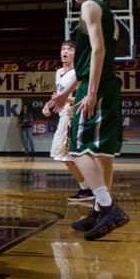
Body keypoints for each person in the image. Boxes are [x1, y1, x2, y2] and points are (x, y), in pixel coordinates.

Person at [46, 0, 129, 240]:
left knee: (79, 149)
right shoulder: (108, 13)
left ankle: (107, 207)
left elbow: (98, 50)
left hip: (97, 88)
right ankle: (97, 210)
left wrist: (90, 91)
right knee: (102, 155)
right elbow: (85, 62)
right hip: (103, 84)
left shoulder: (91, 6)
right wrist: (65, 90)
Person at [42, 41, 93, 203]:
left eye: (69, 49)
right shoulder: (58, 72)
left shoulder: (78, 72)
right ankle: (88, 188)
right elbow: (58, 94)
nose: (65, 51)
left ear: (75, 54)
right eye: (63, 48)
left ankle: (88, 189)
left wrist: (65, 99)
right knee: (69, 156)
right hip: (63, 116)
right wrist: (48, 104)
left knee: (65, 155)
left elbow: (81, 98)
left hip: (72, 116)